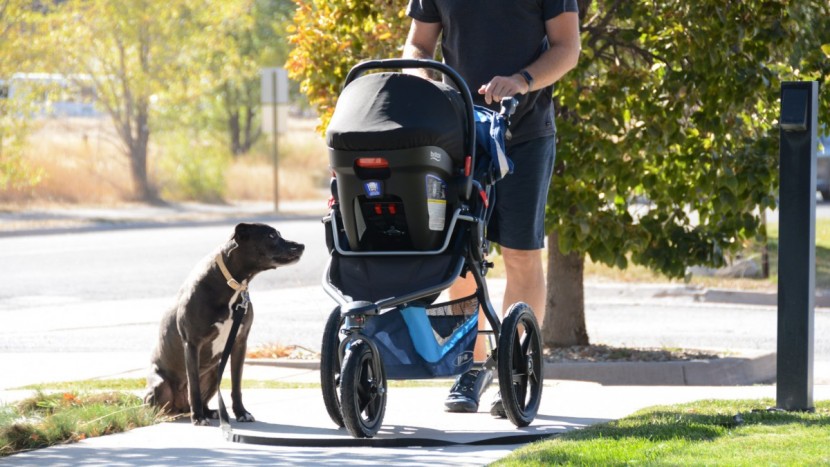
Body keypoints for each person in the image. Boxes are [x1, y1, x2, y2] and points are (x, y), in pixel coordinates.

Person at [402, 0, 581, 416]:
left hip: (526, 133)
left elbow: (566, 48)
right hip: (457, 133)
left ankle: (516, 366)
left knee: (520, 253)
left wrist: (522, 80)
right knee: (460, 256)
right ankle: (472, 365)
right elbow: (418, 43)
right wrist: (424, 76)